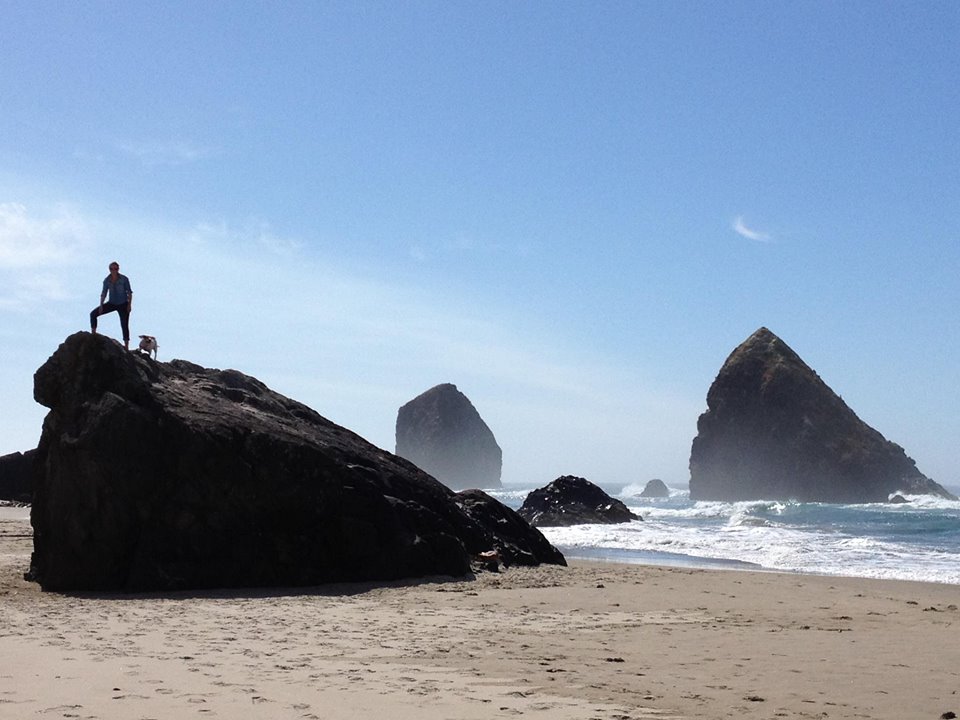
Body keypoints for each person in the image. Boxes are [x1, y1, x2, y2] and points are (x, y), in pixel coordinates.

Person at [90, 261, 133, 350]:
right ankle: (93, 334)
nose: (113, 270)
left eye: (115, 269)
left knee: (124, 324)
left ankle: (126, 345)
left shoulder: (124, 279)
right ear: (109, 270)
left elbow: (129, 292)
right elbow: (104, 293)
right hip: (112, 303)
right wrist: (101, 305)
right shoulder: (107, 280)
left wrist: (129, 305)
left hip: (123, 304)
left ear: (118, 269)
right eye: (112, 269)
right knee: (93, 314)